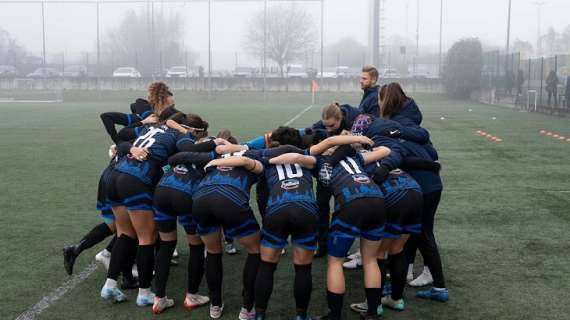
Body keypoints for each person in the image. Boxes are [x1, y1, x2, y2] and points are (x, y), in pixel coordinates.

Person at [270, 136, 391, 320]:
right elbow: (386, 151)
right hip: (377, 200)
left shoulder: (319, 160)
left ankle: (335, 316)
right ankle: (372, 313)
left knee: (335, 263)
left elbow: (295, 158)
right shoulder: (356, 158)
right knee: (371, 260)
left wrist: (268, 159)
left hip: (351, 203)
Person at [150, 116, 215, 314]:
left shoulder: (180, 148)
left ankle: (159, 298)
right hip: (185, 194)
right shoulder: (211, 152)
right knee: (196, 246)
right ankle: (191, 296)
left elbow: (166, 167)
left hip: (162, 192)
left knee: (166, 245)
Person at [190, 150, 263, 320]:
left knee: (213, 252)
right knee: (255, 251)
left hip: (201, 200)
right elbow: (257, 168)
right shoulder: (254, 158)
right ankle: (247, 307)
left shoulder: (213, 160)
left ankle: (215, 304)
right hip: (231, 199)